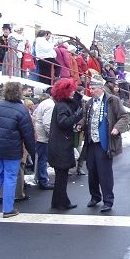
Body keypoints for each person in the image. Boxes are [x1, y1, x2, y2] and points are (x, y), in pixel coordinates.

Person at [0, 81, 36, 218]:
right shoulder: (22, 110)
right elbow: (28, 134)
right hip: (12, 150)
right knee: (10, 177)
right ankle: (8, 209)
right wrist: (33, 152)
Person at [77, 74, 128, 213]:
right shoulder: (89, 103)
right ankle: (95, 197)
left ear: (101, 88)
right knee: (92, 171)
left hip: (104, 143)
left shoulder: (112, 100)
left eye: (93, 88)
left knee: (104, 173)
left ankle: (108, 200)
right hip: (91, 142)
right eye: (90, 88)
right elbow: (86, 118)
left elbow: (123, 117)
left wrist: (117, 128)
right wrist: (80, 124)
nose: (91, 91)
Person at [48, 78, 83, 210]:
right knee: (62, 177)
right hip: (61, 146)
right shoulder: (62, 106)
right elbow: (63, 122)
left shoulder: (61, 104)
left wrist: (78, 99)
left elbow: (73, 106)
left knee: (61, 176)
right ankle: (63, 202)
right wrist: (77, 116)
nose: (73, 92)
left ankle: (57, 202)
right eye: (71, 90)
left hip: (59, 144)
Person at [32, 89, 55, 190]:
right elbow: (47, 123)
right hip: (43, 137)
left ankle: (40, 178)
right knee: (43, 159)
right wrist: (52, 136)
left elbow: (34, 116)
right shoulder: (50, 105)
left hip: (39, 135)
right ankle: (43, 180)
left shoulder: (44, 103)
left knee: (41, 158)